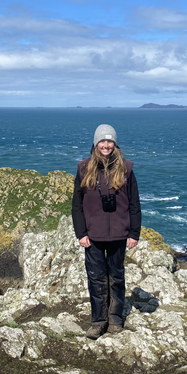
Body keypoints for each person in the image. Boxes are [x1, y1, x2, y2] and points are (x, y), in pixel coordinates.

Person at [72, 124, 141, 340]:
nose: (106, 145)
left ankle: (115, 320)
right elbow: (77, 205)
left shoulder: (126, 168)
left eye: (110, 141)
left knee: (116, 277)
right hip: (92, 235)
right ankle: (98, 321)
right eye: (102, 141)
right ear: (95, 144)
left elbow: (134, 204)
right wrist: (81, 233)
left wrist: (134, 233)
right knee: (96, 279)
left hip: (119, 234)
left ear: (115, 144)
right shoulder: (83, 168)